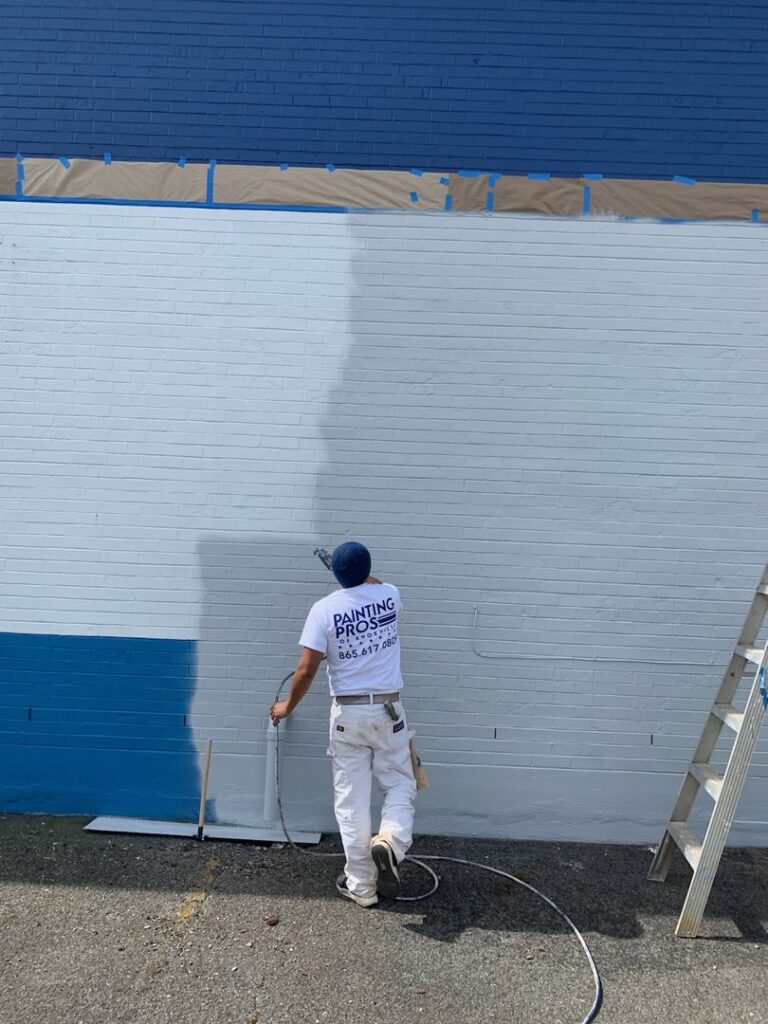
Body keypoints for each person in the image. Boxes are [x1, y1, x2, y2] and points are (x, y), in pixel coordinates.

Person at [270, 541, 416, 907]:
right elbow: (377, 584)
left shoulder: (324, 611)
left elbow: (306, 669)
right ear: (367, 569)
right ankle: (391, 843)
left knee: (351, 802)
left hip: (348, 716)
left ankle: (362, 887)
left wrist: (287, 705)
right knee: (399, 783)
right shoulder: (390, 595)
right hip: (389, 711)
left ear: (335, 573)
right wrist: (365, 579)